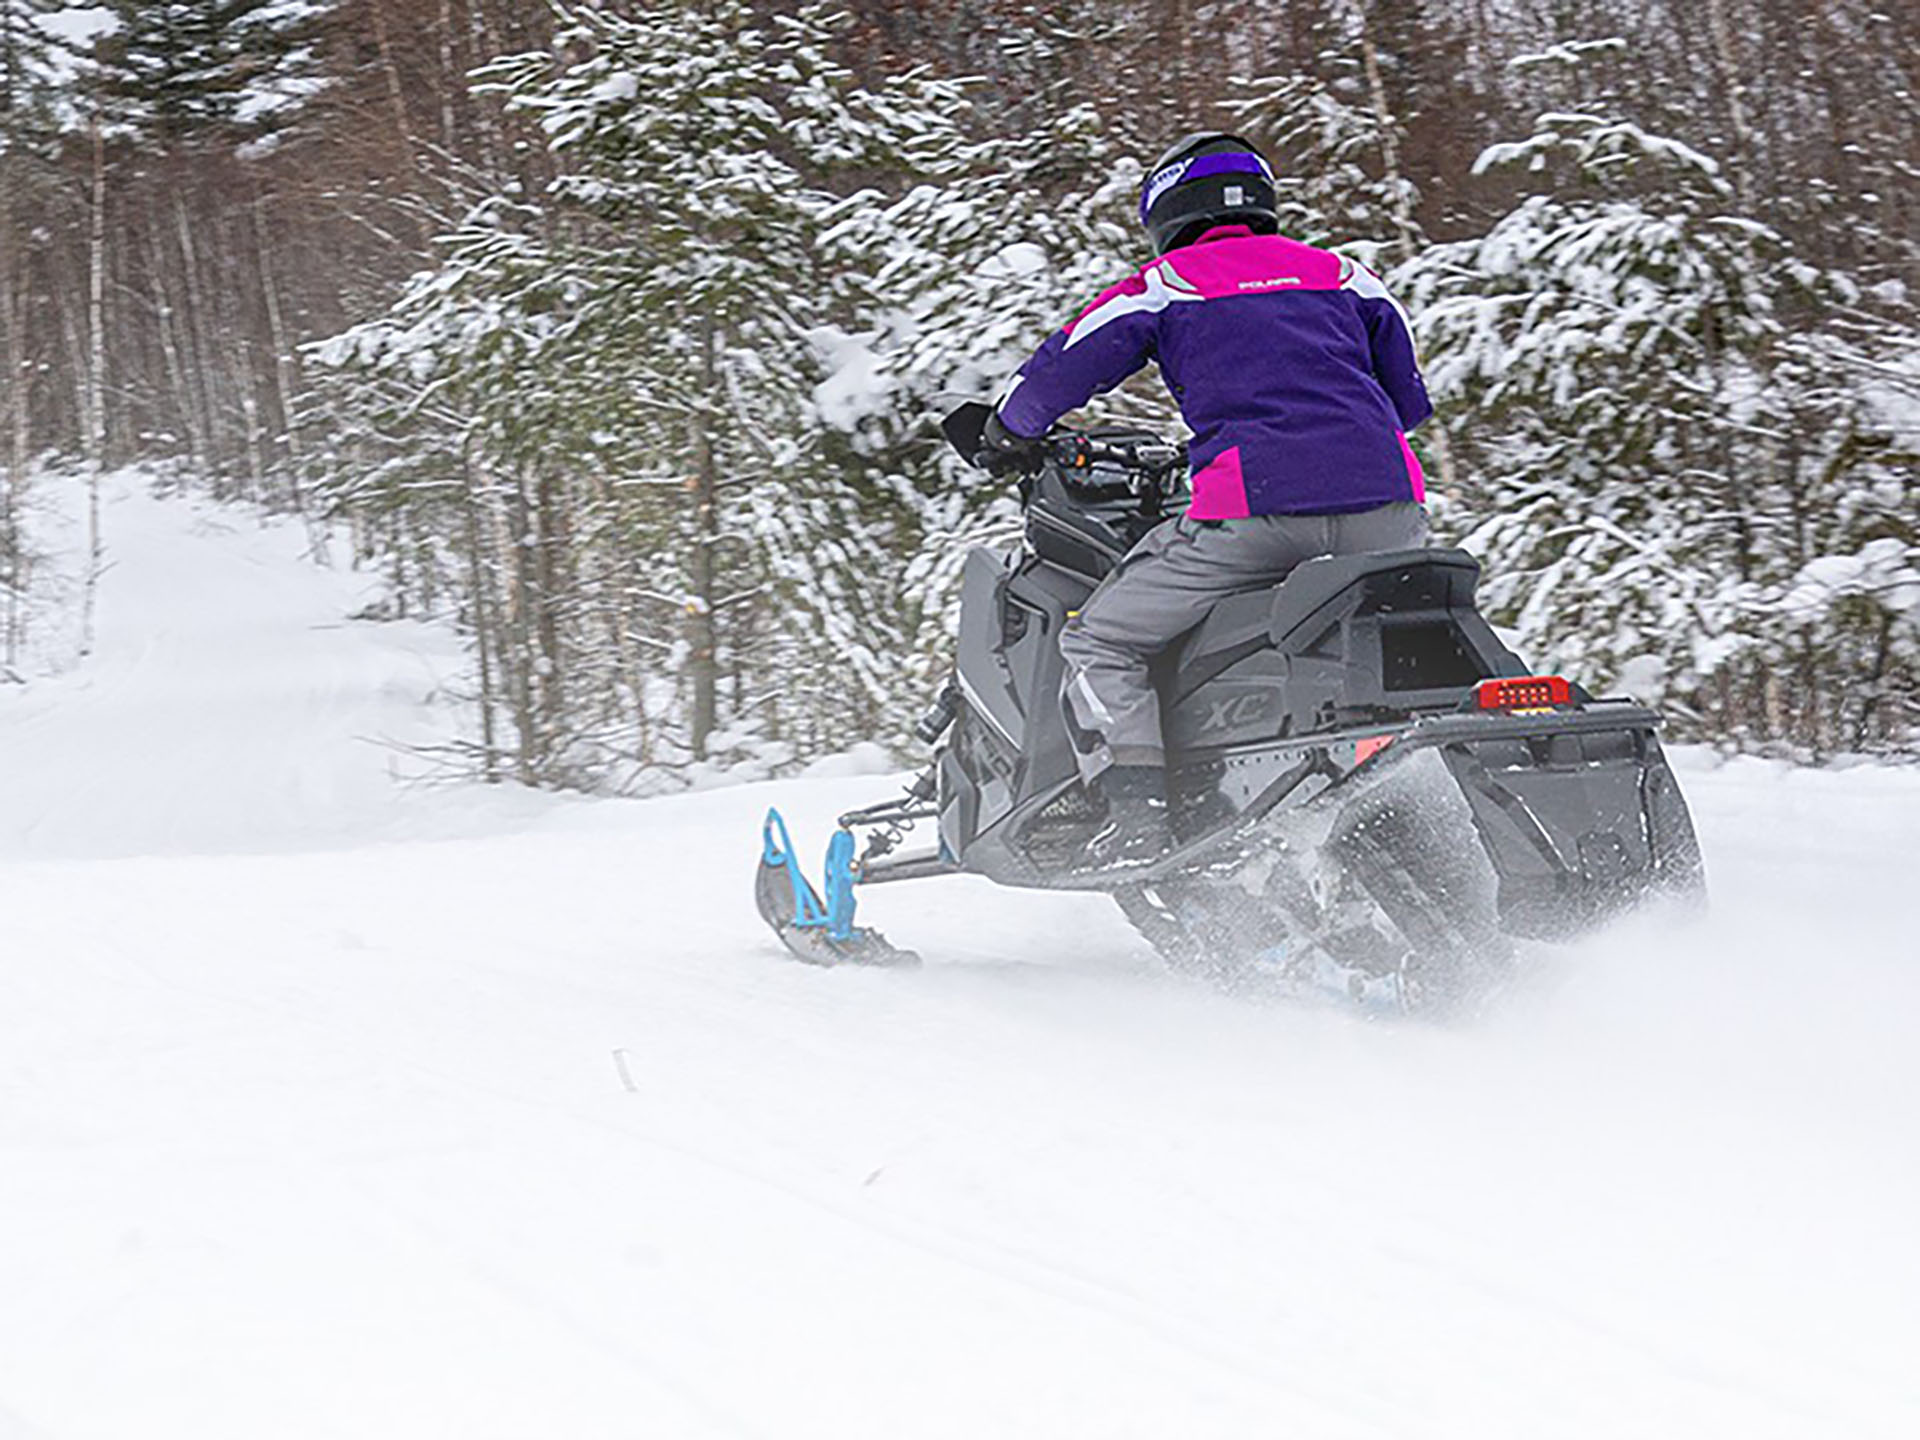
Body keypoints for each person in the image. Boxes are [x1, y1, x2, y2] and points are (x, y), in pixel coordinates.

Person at [982, 131, 1435, 866]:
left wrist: (1007, 430)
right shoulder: (1346, 276)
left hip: (1258, 516)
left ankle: (1137, 816)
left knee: (1101, 638)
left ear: (1167, 208)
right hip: (1390, 511)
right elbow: (1408, 403)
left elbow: (1057, 373)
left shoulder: (1170, 282)